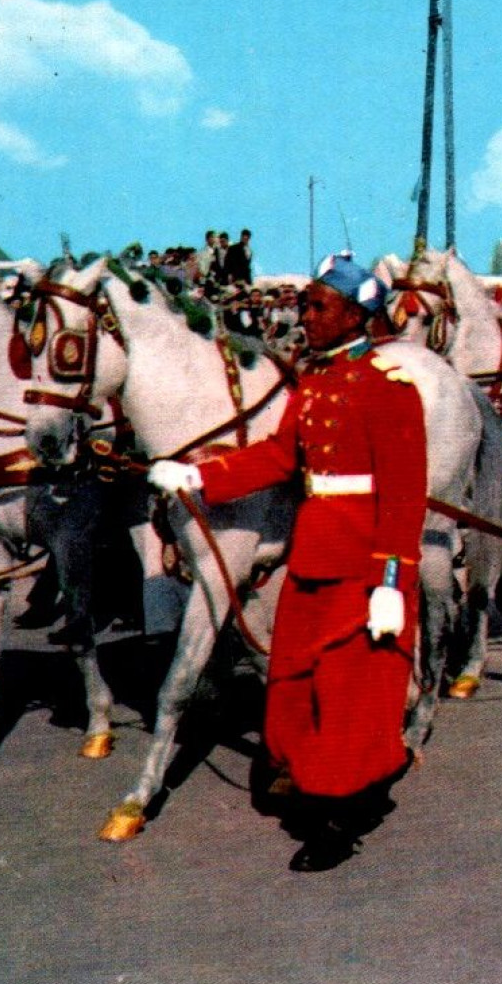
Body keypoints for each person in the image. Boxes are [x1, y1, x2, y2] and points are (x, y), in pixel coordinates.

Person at [148, 252, 426, 871]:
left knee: (350, 686)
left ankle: (340, 815)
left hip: (365, 559)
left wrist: (390, 582)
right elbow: (278, 458)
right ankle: (306, 770)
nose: (305, 315)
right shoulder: (316, 381)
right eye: (305, 303)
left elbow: (404, 496)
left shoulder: (389, 387)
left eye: (318, 306)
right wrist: (199, 474)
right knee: (293, 672)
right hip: (317, 549)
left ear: (356, 315)